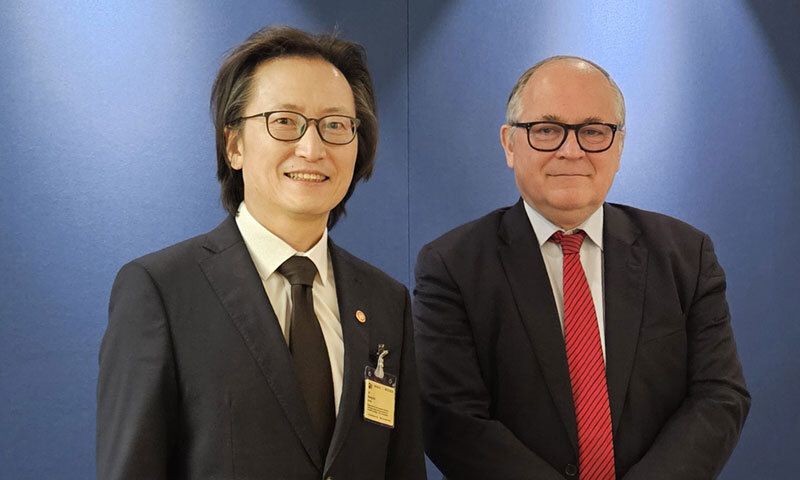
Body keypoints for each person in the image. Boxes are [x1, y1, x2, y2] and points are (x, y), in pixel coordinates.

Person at [97, 26, 426, 480]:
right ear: (234, 145)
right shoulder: (162, 292)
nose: (312, 148)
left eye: (335, 125)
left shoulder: (386, 302)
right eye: (285, 121)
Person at [413, 56, 750, 479]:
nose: (571, 151)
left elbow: (719, 396)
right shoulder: (452, 266)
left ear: (619, 146)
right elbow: (450, 418)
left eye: (593, 131)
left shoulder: (686, 255)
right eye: (546, 130)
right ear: (509, 144)